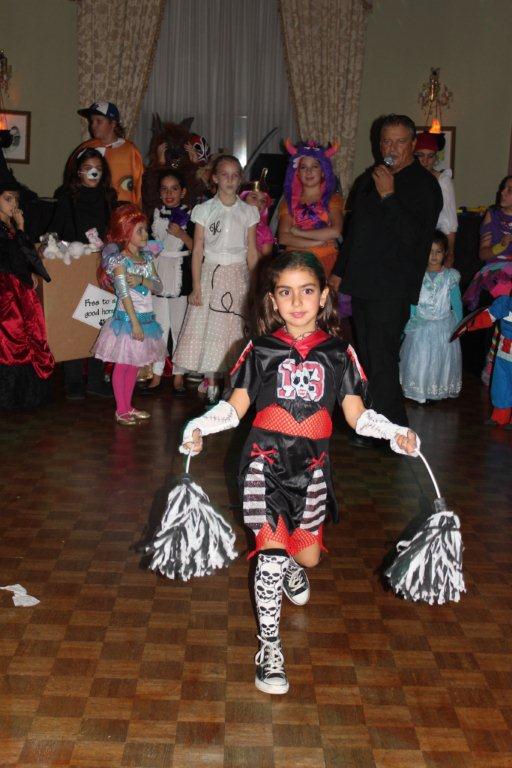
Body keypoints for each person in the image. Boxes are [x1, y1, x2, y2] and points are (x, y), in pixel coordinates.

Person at [180, 251, 419, 694]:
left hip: (311, 471)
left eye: (306, 291)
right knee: (268, 556)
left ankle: (293, 562)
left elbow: (357, 415)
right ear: (272, 299)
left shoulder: (339, 353)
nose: (296, 302)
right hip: (263, 465)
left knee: (307, 556)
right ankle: (270, 647)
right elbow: (234, 408)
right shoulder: (260, 349)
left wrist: (394, 433)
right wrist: (200, 427)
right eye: (285, 292)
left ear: (323, 296)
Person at [333, 113, 443, 429]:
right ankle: (372, 422)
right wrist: (339, 272)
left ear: (412, 144)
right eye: (385, 141)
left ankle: (393, 428)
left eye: (399, 141)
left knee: (382, 358)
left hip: (393, 285)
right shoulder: (371, 178)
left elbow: (415, 237)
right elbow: (355, 231)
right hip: (363, 281)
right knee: (367, 356)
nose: (391, 148)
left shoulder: (425, 185)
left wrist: (389, 196)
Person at [172, 154, 259, 404]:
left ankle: (232, 385)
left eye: (235, 175)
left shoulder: (248, 212)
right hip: (211, 273)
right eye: (224, 175)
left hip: (238, 275)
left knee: (234, 330)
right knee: (210, 327)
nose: (230, 180)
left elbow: (252, 251)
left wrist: (255, 286)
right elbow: (197, 249)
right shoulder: (204, 210)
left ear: (240, 179)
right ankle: (211, 382)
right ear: (215, 178)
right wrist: (196, 286)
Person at [50, 147, 118, 400]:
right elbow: (56, 231)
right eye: (89, 168)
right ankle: (74, 380)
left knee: (99, 319)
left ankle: (96, 380)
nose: (93, 173)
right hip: (74, 265)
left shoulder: (109, 197)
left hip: (101, 265)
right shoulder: (66, 197)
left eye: (98, 169)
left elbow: (115, 230)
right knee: (76, 320)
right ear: (78, 172)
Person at [92, 204, 167, 425]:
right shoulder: (119, 261)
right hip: (127, 321)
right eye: (139, 230)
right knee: (123, 365)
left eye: (145, 230)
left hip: (146, 319)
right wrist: (134, 323)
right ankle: (121, 409)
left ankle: (128, 405)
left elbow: (159, 287)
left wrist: (143, 280)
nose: (145, 234)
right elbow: (124, 294)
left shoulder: (147, 258)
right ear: (126, 233)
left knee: (134, 365)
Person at [0, 172, 54, 410]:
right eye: (8, 198)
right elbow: (13, 256)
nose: (14, 204)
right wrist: (21, 229)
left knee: (26, 333)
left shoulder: (8, 226)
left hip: (16, 287)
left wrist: (31, 268)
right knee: (11, 336)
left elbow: (23, 255)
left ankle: (21, 395)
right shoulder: (6, 228)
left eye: (16, 199)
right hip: (6, 291)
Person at [144, 171, 194, 394]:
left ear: (183, 192)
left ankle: (179, 375)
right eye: (164, 189)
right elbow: (147, 243)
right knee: (159, 327)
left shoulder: (191, 216)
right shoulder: (154, 215)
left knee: (179, 327)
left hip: (180, 275)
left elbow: (198, 248)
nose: (169, 193)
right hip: (159, 272)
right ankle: (156, 373)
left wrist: (182, 235)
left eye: (174, 188)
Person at [400, 230, 462, 404]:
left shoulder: (450, 277)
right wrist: (411, 321)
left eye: (438, 252)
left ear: (445, 253)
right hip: (421, 325)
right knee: (420, 359)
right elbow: (413, 303)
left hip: (443, 326)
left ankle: (436, 391)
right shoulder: (417, 276)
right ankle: (419, 390)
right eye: (430, 251)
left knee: (439, 361)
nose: (434, 256)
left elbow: (456, 303)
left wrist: (459, 326)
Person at [463, 175, 512, 385]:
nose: (502, 192)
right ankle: (492, 362)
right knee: (504, 294)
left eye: (509, 190)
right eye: (503, 188)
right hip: (495, 270)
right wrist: (502, 245)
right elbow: (483, 254)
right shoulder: (493, 216)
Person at [278, 140, 343, 277]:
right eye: (303, 167)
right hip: (295, 263)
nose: (309, 171)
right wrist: (318, 241)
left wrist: (298, 232)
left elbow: (335, 231)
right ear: (297, 173)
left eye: (314, 166)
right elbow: (283, 238)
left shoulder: (332, 199)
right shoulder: (288, 202)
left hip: (325, 263)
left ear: (323, 172)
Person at [74, 101, 144, 205]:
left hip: (123, 208)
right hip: (91, 207)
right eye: (91, 121)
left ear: (113, 124)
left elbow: (139, 185)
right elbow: (74, 180)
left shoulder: (130, 150)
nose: (93, 125)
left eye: (99, 121)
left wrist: (137, 209)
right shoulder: (85, 149)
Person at [414, 132, 458, 266]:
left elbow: (450, 220)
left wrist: (450, 253)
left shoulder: (442, 181)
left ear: (435, 158)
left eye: (430, 156)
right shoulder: (404, 179)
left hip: (434, 244)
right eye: (420, 155)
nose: (425, 161)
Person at [239, 172, 274, 258]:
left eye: (263, 201)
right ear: (244, 199)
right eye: (254, 198)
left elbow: (264, 261)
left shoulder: (265, 231)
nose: (259, 203)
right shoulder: (231, 221)